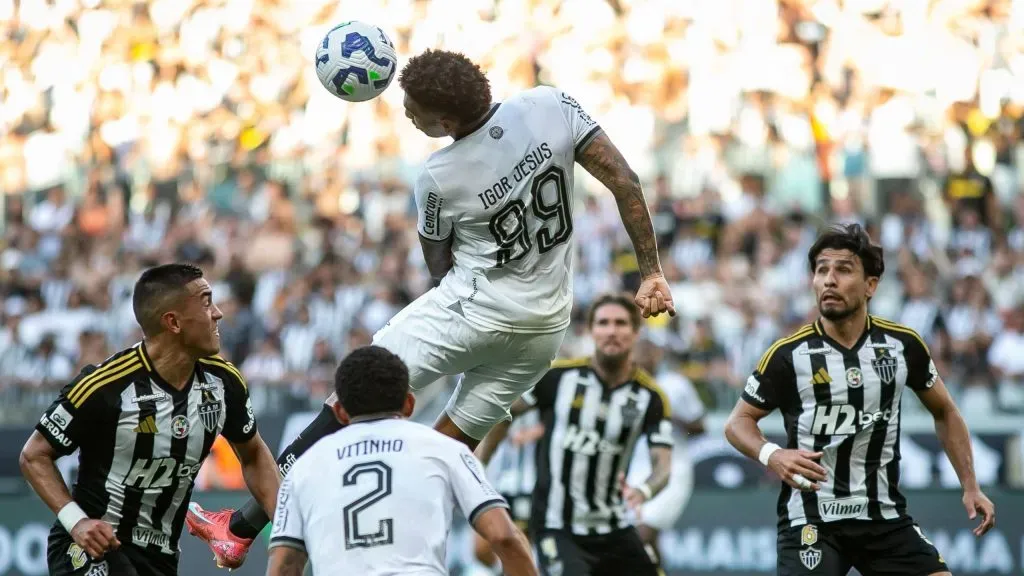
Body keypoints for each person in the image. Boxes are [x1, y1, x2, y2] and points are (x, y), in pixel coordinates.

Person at [188, 48, 676, 568]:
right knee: (443, 449)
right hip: (544, 329)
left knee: (357, 392)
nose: (405, 113)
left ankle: (246, 528)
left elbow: (438, 264)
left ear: (443, 121)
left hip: (471, 309)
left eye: (411, 108)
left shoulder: (440, 176)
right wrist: (651, 271)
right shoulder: (550, 104)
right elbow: (625, 180)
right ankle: (363, 542)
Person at [724, 223, 996, 576]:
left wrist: (970, 485)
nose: (829, 280)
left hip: (883, 517)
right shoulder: (788, 355)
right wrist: (772, 454)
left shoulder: (902, 346)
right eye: (822, 270)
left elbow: (945, 410)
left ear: (871, 285)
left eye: (843, 269)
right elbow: (737, 423)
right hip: (812, 521)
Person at [18, 264, 280, 576]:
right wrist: (77, 522)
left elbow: (253, 456)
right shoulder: (105, 385)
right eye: (207, 301)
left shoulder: (224, 382)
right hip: (92, 549)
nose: (218, 313)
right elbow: (34, 456)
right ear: (173, 322)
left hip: (160, 558)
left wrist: (288, 528)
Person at [265, 345, 537, 576]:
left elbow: (284, 563)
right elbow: (504, 537)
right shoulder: (444, 450)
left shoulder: (305, 467)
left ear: (338, 410)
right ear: (409, 403)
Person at [477, 292, 674, 576]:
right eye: (603, 323)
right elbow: (503, 414)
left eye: (620, 323)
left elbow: (663, 465)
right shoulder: (557, 378)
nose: (611, 331)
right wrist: (479, 466)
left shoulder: (650, 397)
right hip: (558, 527)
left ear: (635, 331)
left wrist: (644, 491)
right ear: (592, 331)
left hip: (615, 527)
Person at [626, 335, 706, 555]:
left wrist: (667, 416)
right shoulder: (626, 386)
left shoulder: (675, 384)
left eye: (647, 351)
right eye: (637, 350)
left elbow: (699, 427)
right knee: (646, 544)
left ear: (657, 354)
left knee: (642, 535)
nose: (641, 356)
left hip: (671, 471)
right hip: (636, 471)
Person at [472, 410, 542, 574]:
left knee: (522, 546)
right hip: (495, 482)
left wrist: (537, 431)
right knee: (481, 549)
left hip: (528, 483)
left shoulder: (545, 389)